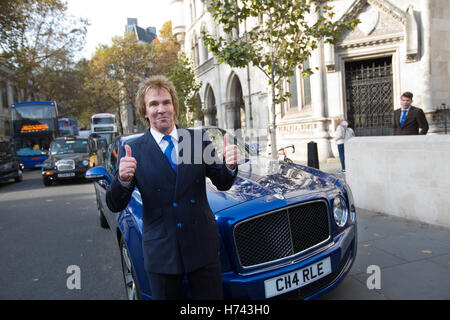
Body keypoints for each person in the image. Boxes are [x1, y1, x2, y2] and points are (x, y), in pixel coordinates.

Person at [106, 75, 239, 300]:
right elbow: (115, 203)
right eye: (153, 104)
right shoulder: (133, 149)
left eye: (166, 102)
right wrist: (123, 179)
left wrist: (230, 165)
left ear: (174, 107)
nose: (161, 109)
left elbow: (223, 182)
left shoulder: (196, 140)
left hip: (202, 247)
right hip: (162, 252)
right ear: (144, 111)